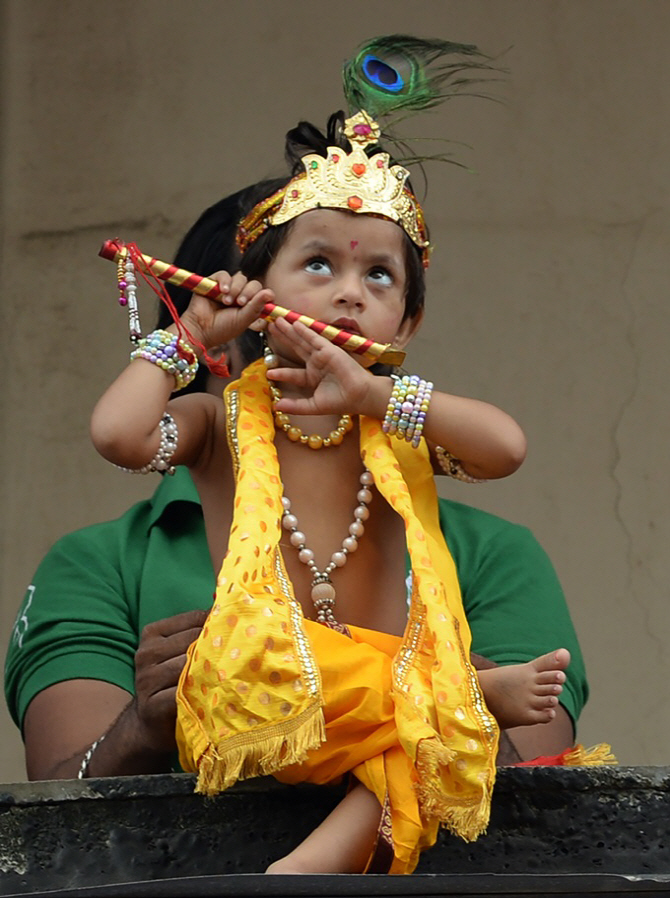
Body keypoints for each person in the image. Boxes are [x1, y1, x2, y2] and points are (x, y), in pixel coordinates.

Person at [85, 100, 579, 875]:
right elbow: (119, 435)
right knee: (439, 703)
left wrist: (377, 396)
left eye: (378, 276)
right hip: (263, 684)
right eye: (320, 264)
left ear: (404, 325)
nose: (350, 292)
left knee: (412, 749)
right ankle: (468, 696)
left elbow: (507, 448)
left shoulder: (395, 426)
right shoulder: (221, 425)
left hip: (365, 712)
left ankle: (301, 874)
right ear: (256, 292)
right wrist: (188, 336)